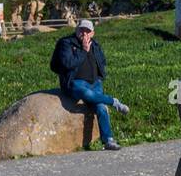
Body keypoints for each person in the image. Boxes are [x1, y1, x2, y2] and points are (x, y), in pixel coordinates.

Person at [50, 18, 129, 152]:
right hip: (75, 82)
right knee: (87, 94)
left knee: (101, 109)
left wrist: (99, 77)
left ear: (92, 33)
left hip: (94, 83)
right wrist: (84, 51)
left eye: (88, 31)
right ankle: (113, 101)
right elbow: (67, 63)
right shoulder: (66, 43)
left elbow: (102, 61)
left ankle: (108, 140)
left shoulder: (96, 45)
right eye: (82, 30)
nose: (84, 34)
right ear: (76, 30)